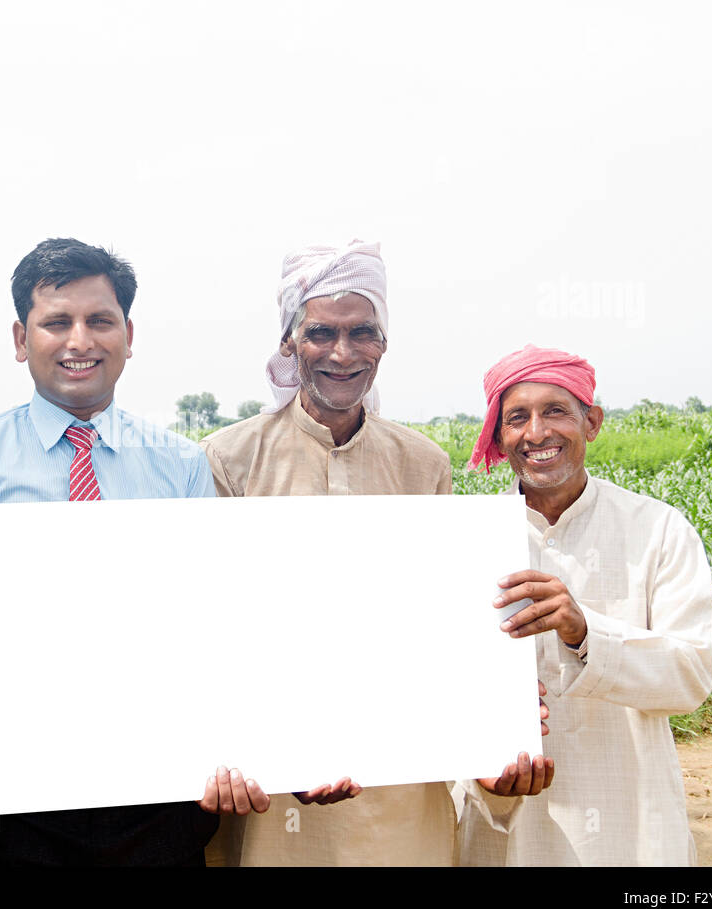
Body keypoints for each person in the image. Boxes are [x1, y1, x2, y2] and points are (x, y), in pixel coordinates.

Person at [0, 237, 298, 865]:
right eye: (56, 322)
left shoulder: (179, 465)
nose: (80, 341)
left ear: (128, 332)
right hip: (15, 799)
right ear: (20, 339)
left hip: (157, 793)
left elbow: (210, 621)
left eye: (99, 320)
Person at [201, 240, 553, 865]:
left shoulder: (422, 463)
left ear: (384, 343)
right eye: (320, 333)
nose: (342, 352)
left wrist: (492, 721)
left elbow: (447, 624)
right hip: (274, 789)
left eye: (362, 332)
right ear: (289, 342)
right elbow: (217, 627)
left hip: (401, 788)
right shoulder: (229, 458)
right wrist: (279, 751)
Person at [458, 345, 712, 865]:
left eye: (555, 410)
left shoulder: (658, 529)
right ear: (498, 437)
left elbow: (691, 675)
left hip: (629, 819)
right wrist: (482, 765)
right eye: (516, 418)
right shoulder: (467, 540)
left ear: (591, 421)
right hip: (505, 816)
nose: (536, 433)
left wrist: (584, 632)